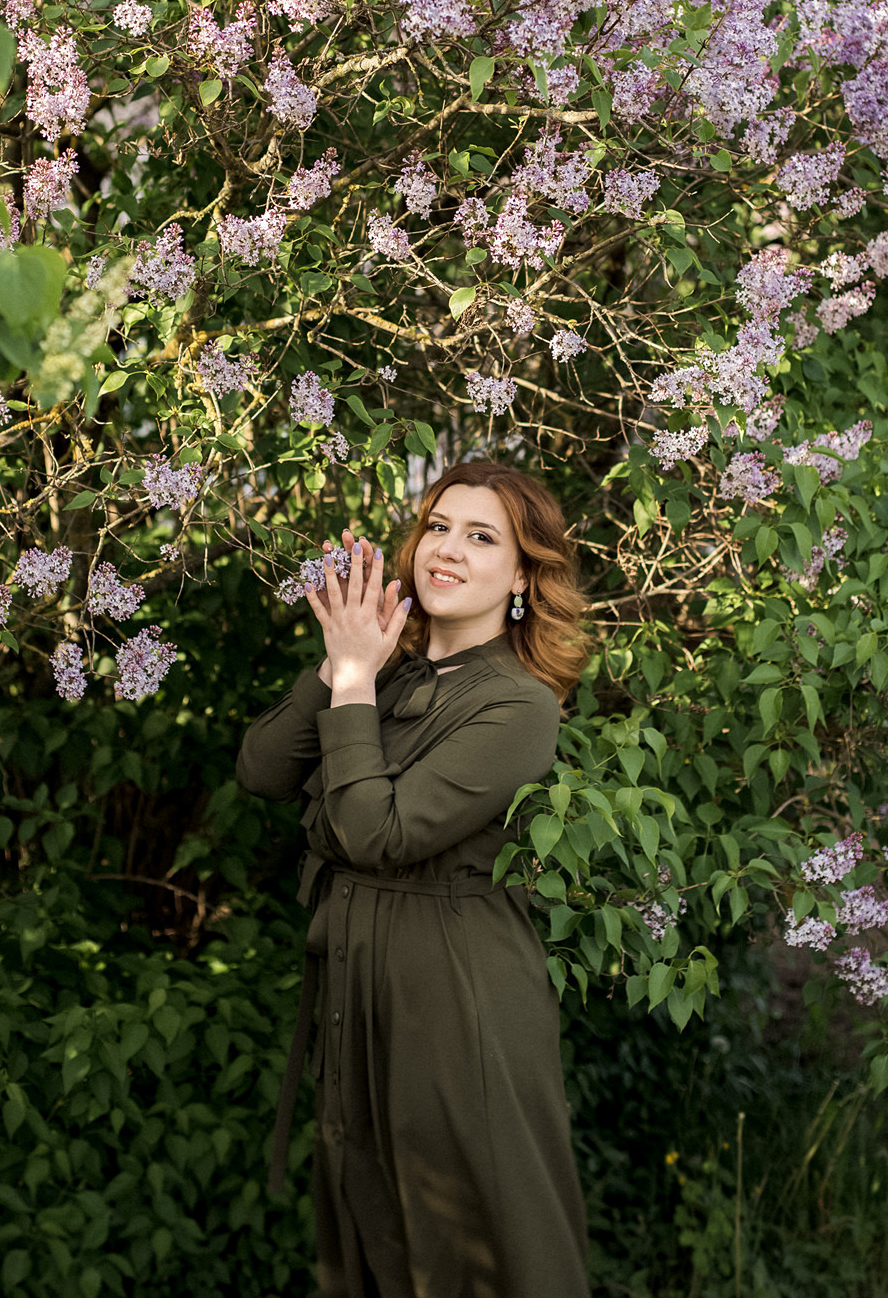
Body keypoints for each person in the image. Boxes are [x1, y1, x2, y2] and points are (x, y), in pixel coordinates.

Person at [237, 459, 591, 1298]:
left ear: (523, 576)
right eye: (438, 526)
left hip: (456, 999)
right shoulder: (383, 667)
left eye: (481, 537)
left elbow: (376, 833)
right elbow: (259, 769)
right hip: (357, 987)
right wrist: (342, 666)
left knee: (474, 1243)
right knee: (375, 1230)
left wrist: (354, 679)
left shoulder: (519, 705)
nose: (448, 550)